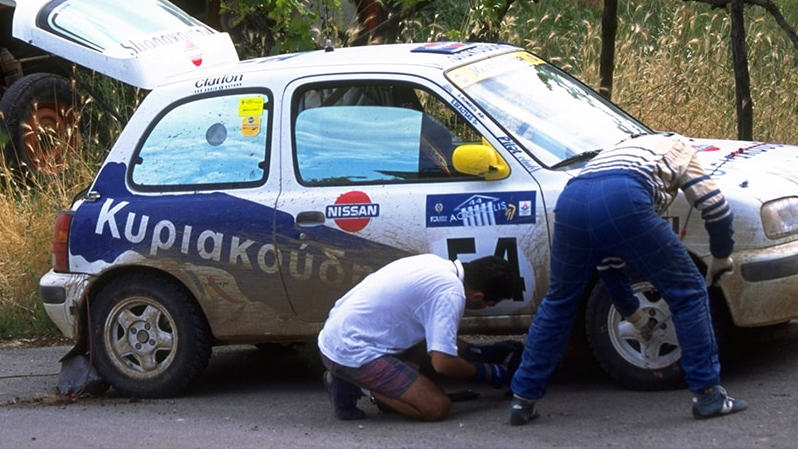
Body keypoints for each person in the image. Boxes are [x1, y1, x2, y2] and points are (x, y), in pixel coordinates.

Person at [508, 132, 747, 425]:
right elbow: (715, 206)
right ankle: (709, 394)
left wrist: (636, 318)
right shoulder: (682, 148)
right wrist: (721, 256)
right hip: (624, 196)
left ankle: (523, 399)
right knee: (688, 290)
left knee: (558, 301)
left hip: (571, 201)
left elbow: (609, 266)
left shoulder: (616, 149)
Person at [318, 253, 521, 421]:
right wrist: (488, 373)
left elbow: (439, 339)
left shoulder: (436, 264)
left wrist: (479, 352)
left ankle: (362, 380)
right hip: (349, 352)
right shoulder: (451, 293)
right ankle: (354, 384)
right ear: (478, 296)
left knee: (429, 348)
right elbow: (443, 363)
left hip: (338, 336)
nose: (485, 308)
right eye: (488, 304)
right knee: (436, 407)